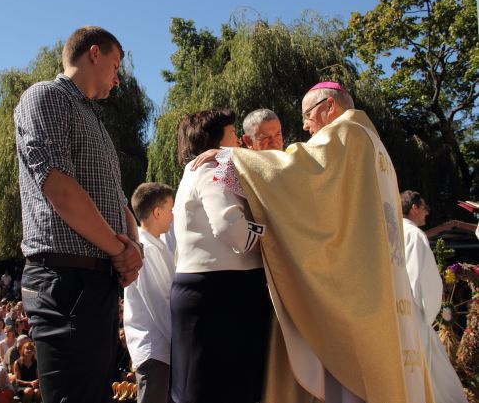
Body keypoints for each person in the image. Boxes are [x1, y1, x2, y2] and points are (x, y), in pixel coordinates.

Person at [196, 82, 435, 402]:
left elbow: (301, 172)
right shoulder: (375, 146)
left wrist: (231, 157)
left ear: (329, 107)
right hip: (378, 286)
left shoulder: (346, 133)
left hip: (355, 292)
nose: (306, 126)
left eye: (308, 115)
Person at [14, 25, 143, 403]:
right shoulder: (46, 96)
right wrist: (121, 251)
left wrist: (132, 247)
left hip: (96, 281)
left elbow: (118, 201)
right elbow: (58, 187)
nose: (118, 80)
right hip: (64, 279)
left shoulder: (96, 122)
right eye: (116, 65)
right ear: (94, 54)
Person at [171, 109, 268, 403]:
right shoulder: (214, 167)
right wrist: (273, 235)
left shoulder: (198, 170)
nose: (239, 140)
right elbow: (232, 228)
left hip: (208, 291)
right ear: (214, 142)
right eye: (232, 134)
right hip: (223, 295)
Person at [402, 191, 468, 403]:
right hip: (413, 316)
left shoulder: (388, 232)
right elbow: (424, 281)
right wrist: (428, 315)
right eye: (425, 207)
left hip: (391, 316)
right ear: (414, 207)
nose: (427, 213)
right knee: (435, 380)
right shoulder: (414, 235)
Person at [124, 182, 176, 403]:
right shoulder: (145, 249)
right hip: (154, 349)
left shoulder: (157, 245)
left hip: (162, 349)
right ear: (157, 212)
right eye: (170, 209)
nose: (173, 215)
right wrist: (181, 342)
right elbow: (160, 303)